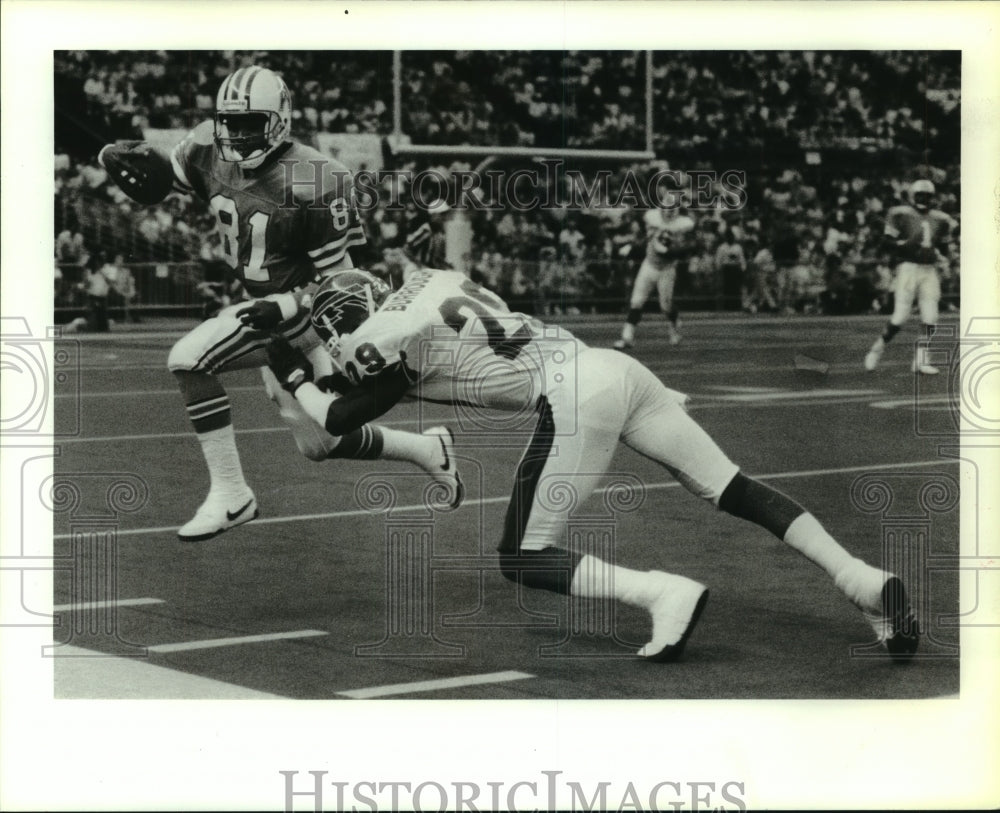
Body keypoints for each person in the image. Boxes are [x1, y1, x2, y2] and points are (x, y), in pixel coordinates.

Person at [263, 267, 919, 662]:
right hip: (614, 367)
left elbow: (338, 417)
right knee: (732, 486)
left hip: (575, 394)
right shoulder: (425, 290)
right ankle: (861, 577)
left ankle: (661, 592)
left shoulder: (383, 340)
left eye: (328, 335)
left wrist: (293, 373)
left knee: (522, 554)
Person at [99, 66, 461, 541]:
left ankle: (233, 494)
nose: (238, 133)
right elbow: (170, 179)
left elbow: (343, 282)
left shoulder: (317, 178)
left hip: (305, 314)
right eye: (231, 122)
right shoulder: (207, 146)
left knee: (189, 359)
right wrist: (141, 171)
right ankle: (426, 449)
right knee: (320, 444)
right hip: (264, 308)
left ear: (279, 119)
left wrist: (290, 305)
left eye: (250, 122)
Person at [864, 180, 957, 375]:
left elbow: (943, 246)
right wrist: (903, 244)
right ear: (913, 197)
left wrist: (944, 258)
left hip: (929, 270)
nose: (924, 199)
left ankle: (921, 360)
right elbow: (887, 243)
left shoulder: (941, 218)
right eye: (920, 195)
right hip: (908, 268)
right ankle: (876, 350)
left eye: (927, 196)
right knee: (900, 317)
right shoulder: (899, 214)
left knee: (931, 317)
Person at [613, 197, 696, 349]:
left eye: (672, 209)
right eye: (666, 208)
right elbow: (644, 237)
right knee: (636, 301)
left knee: (665, 306)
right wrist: (632, 247)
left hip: (667, 269)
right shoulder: (652, 217)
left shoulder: (684, 224)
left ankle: (674, 323)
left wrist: (675, 250)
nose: (668, 212)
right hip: (649, 265)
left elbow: (688, 246)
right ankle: (627, 337)